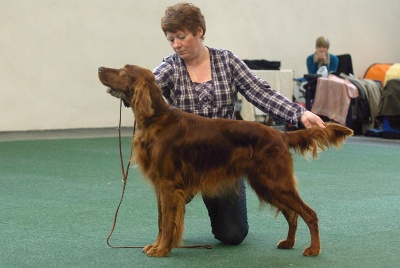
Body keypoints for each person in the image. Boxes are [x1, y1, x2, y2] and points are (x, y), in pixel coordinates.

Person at [108, 2, 325, 245]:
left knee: (232, 235)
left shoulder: (226, 61)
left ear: (199, 31)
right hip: (185, 158)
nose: (176, 44)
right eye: (171, 39)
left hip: (225, 158)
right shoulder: (170, 66)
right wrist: (123, 89)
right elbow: (147, 89)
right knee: (167, 188)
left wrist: (299, 114)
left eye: (181, 37)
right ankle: (167, 238)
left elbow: (261, 93)